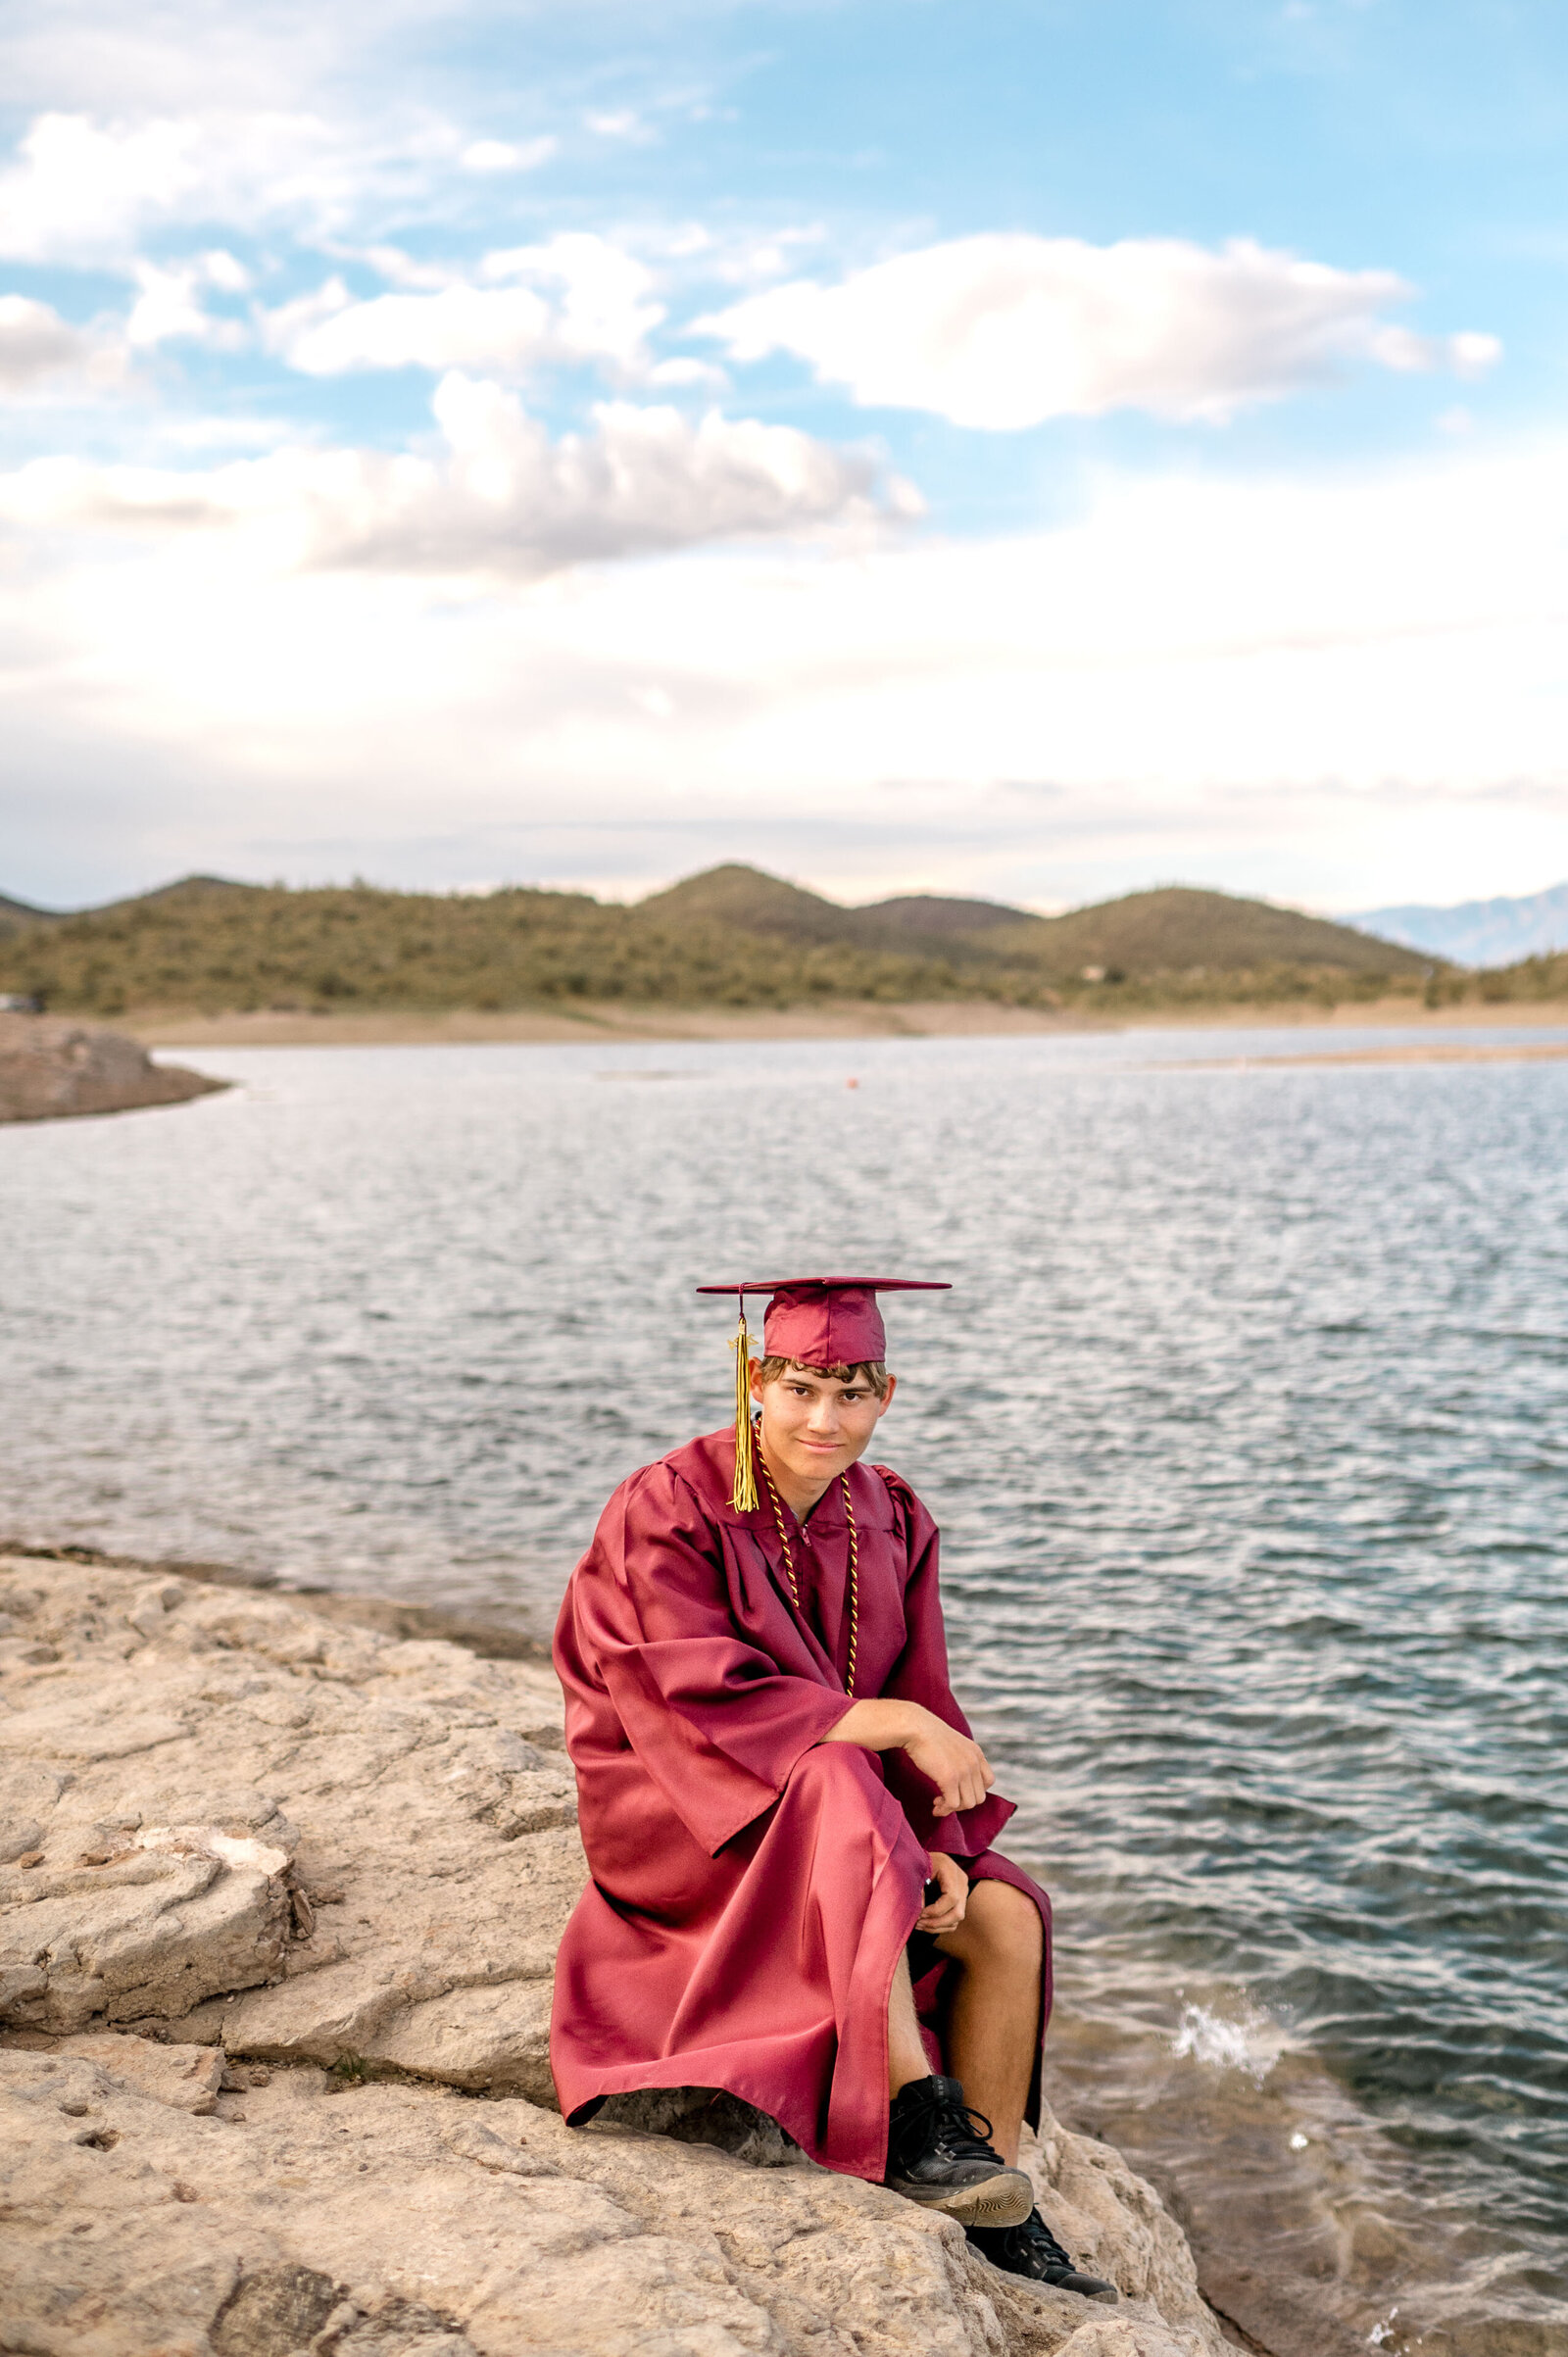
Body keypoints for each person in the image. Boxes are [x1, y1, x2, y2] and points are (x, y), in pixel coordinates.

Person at [550, 1275, 1113, 2296]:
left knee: (1003, 1913)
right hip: (683, 1809)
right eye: (803, 1386)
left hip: (835, 1800)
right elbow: (682, 1692)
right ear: (756, 1380)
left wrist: (939, 1842)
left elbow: (917, 1687)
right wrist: (896, 1734)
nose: (825, 1416)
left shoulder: (889, 1514)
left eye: (852, 1391)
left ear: (885, 1395)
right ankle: (913, 2124)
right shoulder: (668, 1505)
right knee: (837, 1777)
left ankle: (999, 2195)